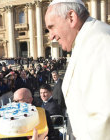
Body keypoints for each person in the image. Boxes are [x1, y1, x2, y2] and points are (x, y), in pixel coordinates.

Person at [45, 0, 110, 140]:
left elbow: (105, 119)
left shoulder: (100, 42)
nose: (51, 37)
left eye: (52, 27)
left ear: (71, 18)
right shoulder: (85, 40)